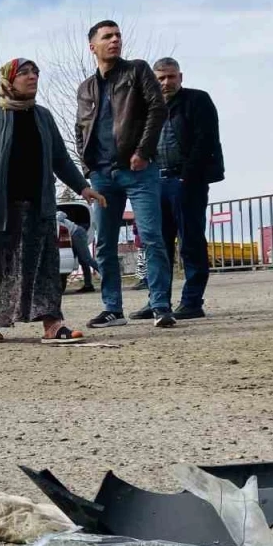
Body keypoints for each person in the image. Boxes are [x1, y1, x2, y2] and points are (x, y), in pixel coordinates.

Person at [0, 58, 106, 344]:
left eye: (35, 72)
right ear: (8, 80)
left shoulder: (43, 116)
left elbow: (60, 158)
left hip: (39, 207)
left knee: (44, 269)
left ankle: (53, 325)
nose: (32, 76)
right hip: (0, 209)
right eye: (24, 72)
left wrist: (83, 188)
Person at [75, 20, 175, 329]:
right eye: (107, 36)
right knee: (104, 243)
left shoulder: (137, 70)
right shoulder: (86, 88)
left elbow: (158, 109)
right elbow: (80, 129)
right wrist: (87, 167)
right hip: (102, 176)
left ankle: (160, 306)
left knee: (152, 237)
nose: (115, 40)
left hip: (138, 171)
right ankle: (112, 309)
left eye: (118, 35)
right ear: (93, 46)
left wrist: (143, 152)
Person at [143, 57, 224, 320]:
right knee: (158, 244)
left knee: (190, 242)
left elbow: (205, 140)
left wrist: (187, 178)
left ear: (180, 77)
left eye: (171, 77)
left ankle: (191, 301)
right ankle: (158, 301)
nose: (166, 82)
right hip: (155, 182)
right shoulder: (146, 107)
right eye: (160, 78)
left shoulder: (197, 100)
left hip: (186, 181)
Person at [58, 211, 99, 293]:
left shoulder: (54, 215)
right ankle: (88, 285)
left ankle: (109, 276)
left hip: (77, 233)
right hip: (72, 235)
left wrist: (54, 218)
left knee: (86, 259)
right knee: (82, 261)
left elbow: (63, 214)